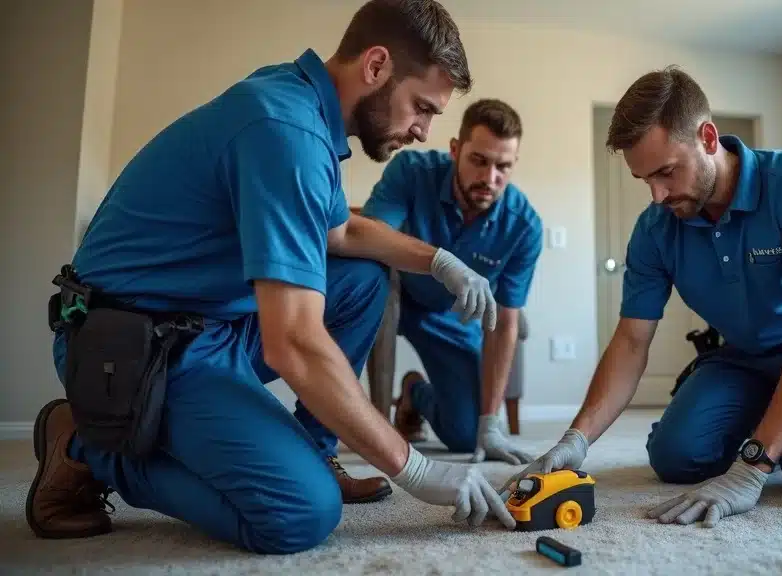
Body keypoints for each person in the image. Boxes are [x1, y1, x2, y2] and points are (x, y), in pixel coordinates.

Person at [27, 0, 518, 555]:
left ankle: (312, 448)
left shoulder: (304, 105)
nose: (423, 131)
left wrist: (438, 261)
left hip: (205, 324)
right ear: (377, 66)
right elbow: (295, 345)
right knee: (299, 512)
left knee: (361, 282)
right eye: (422, 107)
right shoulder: (286, 130)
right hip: (134, 349)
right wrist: (417, 469)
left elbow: (344, 235)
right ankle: (88, 446)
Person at [501, 66, 782, 527]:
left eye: (665, 172)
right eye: (645, 180)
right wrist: (576, 439)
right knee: (675, 457)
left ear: (707, 136)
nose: (657, 194)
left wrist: (751, 467)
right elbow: (631, 342)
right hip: (742, 359)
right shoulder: (654, 229)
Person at [361, 98, 542, 465]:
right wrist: (438, 262)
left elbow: (505, 322)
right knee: (363, 276)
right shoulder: (411, 171)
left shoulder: (524, 226)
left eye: (503, 167)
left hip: (448, 317)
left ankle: (413, 392)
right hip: (390, 294)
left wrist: (490, 422)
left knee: (465, 434)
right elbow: (370, 234)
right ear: (456, 150)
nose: (490, 178)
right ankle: (373, 422)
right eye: (479, 160)